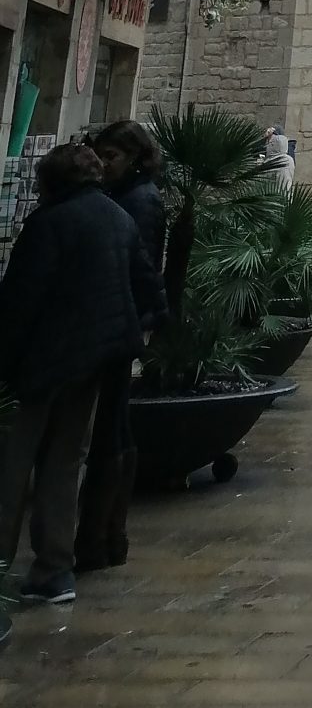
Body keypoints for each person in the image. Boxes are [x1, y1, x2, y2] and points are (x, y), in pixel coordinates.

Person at [0, 143, 160, 605]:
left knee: (12, 465)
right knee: (65, 463)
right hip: (92, 363)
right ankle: (54, 570)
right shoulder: (118, 218)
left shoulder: (49, 223)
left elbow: (20, 300)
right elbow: (148, 287)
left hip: (41, 363)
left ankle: (3, 564)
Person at [74, 121, 169, 573]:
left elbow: (140, 267)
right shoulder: (127, 196)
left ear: (134, 158)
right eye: (102, 155)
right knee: (114, 427)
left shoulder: (140, 201)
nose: (104, 164)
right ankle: (105, 535)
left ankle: (103, 534)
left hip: (118, 326)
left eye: (112, 156)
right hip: (118, 324)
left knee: (112, 430)